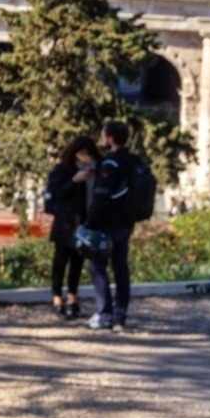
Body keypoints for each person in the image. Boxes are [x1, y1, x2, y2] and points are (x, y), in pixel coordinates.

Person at [85, 119, 143, 331]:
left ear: (109, 138)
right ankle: (120, 315)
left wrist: (89, 224)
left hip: (107, 223)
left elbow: (101, 197)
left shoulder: (110, 164)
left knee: (97, 266)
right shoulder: (134, 162)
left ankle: (105, 314)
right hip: (127, 222)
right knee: (121, 267)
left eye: (103, 134)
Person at [42, 137, 97, 320]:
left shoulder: (96, 169)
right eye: (82, 154)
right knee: (60, 261)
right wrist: (74, 181)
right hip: (66, 222)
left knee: (78, 262)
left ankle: (72, 299)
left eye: (89, 154)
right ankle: (57, 298)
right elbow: (57, 193)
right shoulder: (63, 169)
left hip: (85, 221)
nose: (86, 158)